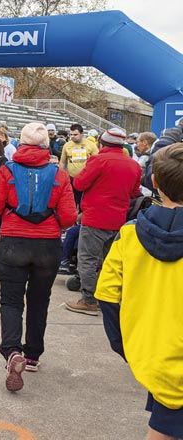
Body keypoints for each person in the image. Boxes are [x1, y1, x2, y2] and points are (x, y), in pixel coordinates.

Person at [95, 143, 183, 440]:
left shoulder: (130, 234)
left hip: (154, 359)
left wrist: (128, 347)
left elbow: (107, 295)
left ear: (154, 183)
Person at [0, 122, 77, 392]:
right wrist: (52, 224)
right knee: (39, 301)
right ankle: (33, 354)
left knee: (11, 301)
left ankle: (12, 351)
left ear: (21, 143)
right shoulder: (58, 174)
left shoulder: (7, 170)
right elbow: (70, 217)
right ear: (47, 146)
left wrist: (9, 220)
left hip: (13, 241)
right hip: (47, 246)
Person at [65, 127, 141, 316]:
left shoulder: (98, 160)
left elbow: (79, 183)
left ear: (102, 143)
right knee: (109, 261)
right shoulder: (133, 164)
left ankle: (89, 300)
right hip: (118, 219)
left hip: (95, 218)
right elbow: (134, 192)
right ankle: (107, 299)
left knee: (87, 260)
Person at [60, 123, 99, 207]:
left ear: (82, 134)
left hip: (87, 178)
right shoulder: (67, 145)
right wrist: (61, 175)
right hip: (72, 178)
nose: (72, 136)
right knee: (72, 201)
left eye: (75, 134)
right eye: (71, 134)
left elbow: (97, 162)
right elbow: (63, 162)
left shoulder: (91, 145)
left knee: (85, 202)